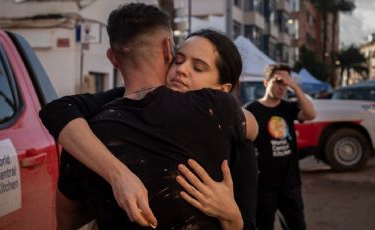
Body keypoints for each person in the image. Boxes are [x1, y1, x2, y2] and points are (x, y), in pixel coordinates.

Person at [40, 3, 257, 229]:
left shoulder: (229, 127)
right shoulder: (91, 128)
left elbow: (68, 216)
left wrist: (232, 216)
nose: (182, 70)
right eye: (179, 59)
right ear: (168, 49)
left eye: (199, 68)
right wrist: (116, 180)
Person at [244, 64, 316, 230]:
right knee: (263, 226)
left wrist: (295, 86)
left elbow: (311, 114)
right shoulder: (251, 110)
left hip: (290, 184)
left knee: (297, 226)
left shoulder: (288, 108)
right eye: (278, 81)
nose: (281, 86)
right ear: (265, 82)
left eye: (285, 83)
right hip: (263, 185)